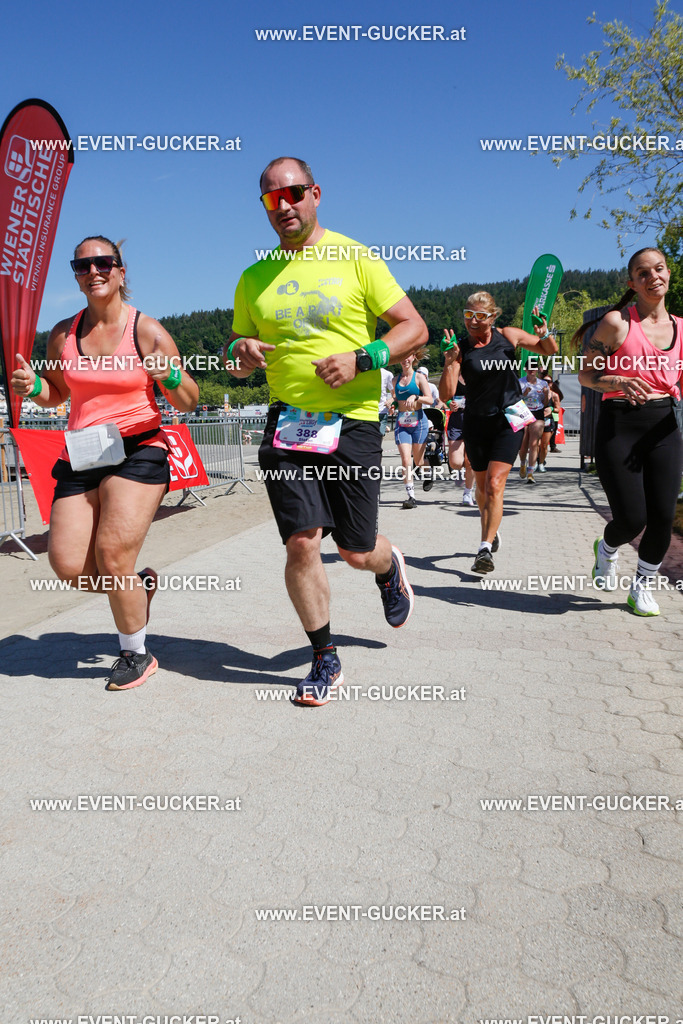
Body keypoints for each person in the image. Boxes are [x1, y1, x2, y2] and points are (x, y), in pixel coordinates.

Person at [223, 157, 428, 705]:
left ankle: (388, 566)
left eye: (293, 193)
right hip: (287, 424)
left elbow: (414, 328)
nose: (283, 205)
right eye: (271, 198)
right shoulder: (254, 277)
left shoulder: (355, 257)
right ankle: (324, 657)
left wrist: (363, 358)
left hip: (352, 421)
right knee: (301, 542)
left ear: (315, 193)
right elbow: (235, 356)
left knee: (356, 550)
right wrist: (239, 350)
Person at [11, 236, 199, 688]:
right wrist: (33, 387)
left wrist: (171, 376)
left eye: (102, 263)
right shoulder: (62, 333)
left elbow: (189, 400)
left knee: (113, 556)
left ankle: (135, 652)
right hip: (82, 454)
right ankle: (138, 586)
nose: (93, 271)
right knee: (67, 565)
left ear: (120, 270)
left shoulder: (147, 331)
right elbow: (57, 394)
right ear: (76, 276)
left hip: (139, 450)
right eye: (82, 266)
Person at [576, 246, 683, 617]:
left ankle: (641, 588)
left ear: (668, 273)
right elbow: (586, 375)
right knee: (632, 518)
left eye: (659, 269)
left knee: (663, 517)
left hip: (663, 426)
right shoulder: (617, 323)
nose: (653, 277)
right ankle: (606, 549)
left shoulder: (681, 328)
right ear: (632, 283)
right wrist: (618, 380)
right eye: (643, 273)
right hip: (620, 425)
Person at [438, 291, 558, 573]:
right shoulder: (460, 348)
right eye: (468, 315)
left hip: (509, 417)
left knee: (494, 484)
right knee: (482, 489)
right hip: (477, 421)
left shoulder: (509, 335)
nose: (473, 321)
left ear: (492, 317)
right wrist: (449, 361)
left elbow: (548, 350)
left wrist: (544, 331)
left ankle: (484, 549)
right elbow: (445, 394)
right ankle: (491, 528)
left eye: (480, 316)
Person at [393, 354, 433, 506]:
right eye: (402, 357)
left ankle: (428, 472)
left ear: (414, 358)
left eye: (408, 357)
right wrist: (392, 404)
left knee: (418, 461)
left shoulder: (419, 378)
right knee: (405, 459)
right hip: (402, 422)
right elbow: (396, 399)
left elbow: (430, 399)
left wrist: (416, 397)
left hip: (419, 422)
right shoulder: (395, 380)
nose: (405, 360)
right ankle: (411, 496)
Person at [518, 360, 550, 483]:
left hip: (538, 413)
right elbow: (515, 400)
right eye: (529, 368)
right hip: (524, 413)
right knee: (523, 443)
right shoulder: (520, 382)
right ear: (525, 369)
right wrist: (524, 394)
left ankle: (531, 472)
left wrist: (546, 395)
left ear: (537, 369)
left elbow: (545, 403)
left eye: (534, 367)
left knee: (534, 443)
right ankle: (522, 463)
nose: (531, 370)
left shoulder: (543, 383)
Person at [444, 381, 475, 504]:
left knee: (470, 461)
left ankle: (468, 493)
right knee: (455, 463)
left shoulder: (480, 375)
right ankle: (460, 471)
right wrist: (449, 404)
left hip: (475, 419)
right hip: (457, 420)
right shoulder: (453, 378)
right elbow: (444, 397)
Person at [378, 365, 394, 435]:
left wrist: (390, 401)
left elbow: (394, 394)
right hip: (367, 412)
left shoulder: (387, 374)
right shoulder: (364, 372)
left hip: (381, 411)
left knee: (379, 436)